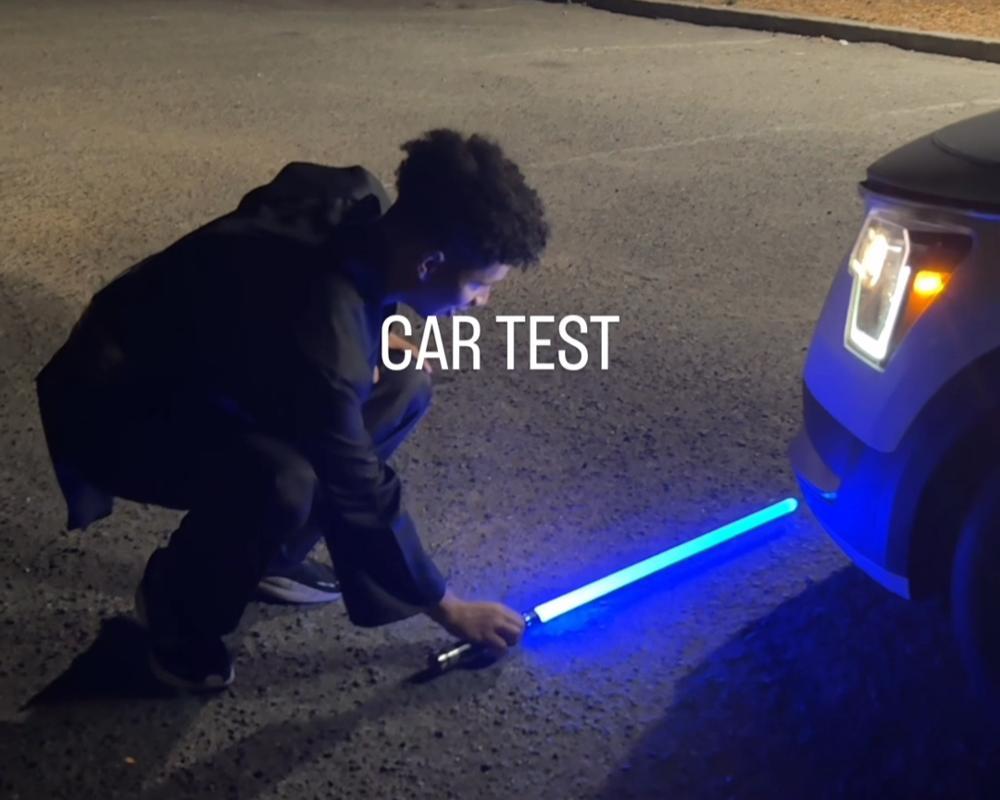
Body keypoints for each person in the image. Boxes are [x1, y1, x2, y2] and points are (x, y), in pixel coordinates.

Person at [35, 129, 550, 690]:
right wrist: (449, 607)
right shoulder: (328, 344)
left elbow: (273, 280)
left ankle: (264, 558)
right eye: (480, 285)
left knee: (402, 384)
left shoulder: (359, 202)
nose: (482, 302)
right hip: (116, 402)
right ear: (428, 264)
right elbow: (359, 485)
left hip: (199, 364)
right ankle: (176, 610)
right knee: (283, 480)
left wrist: (371, 331)